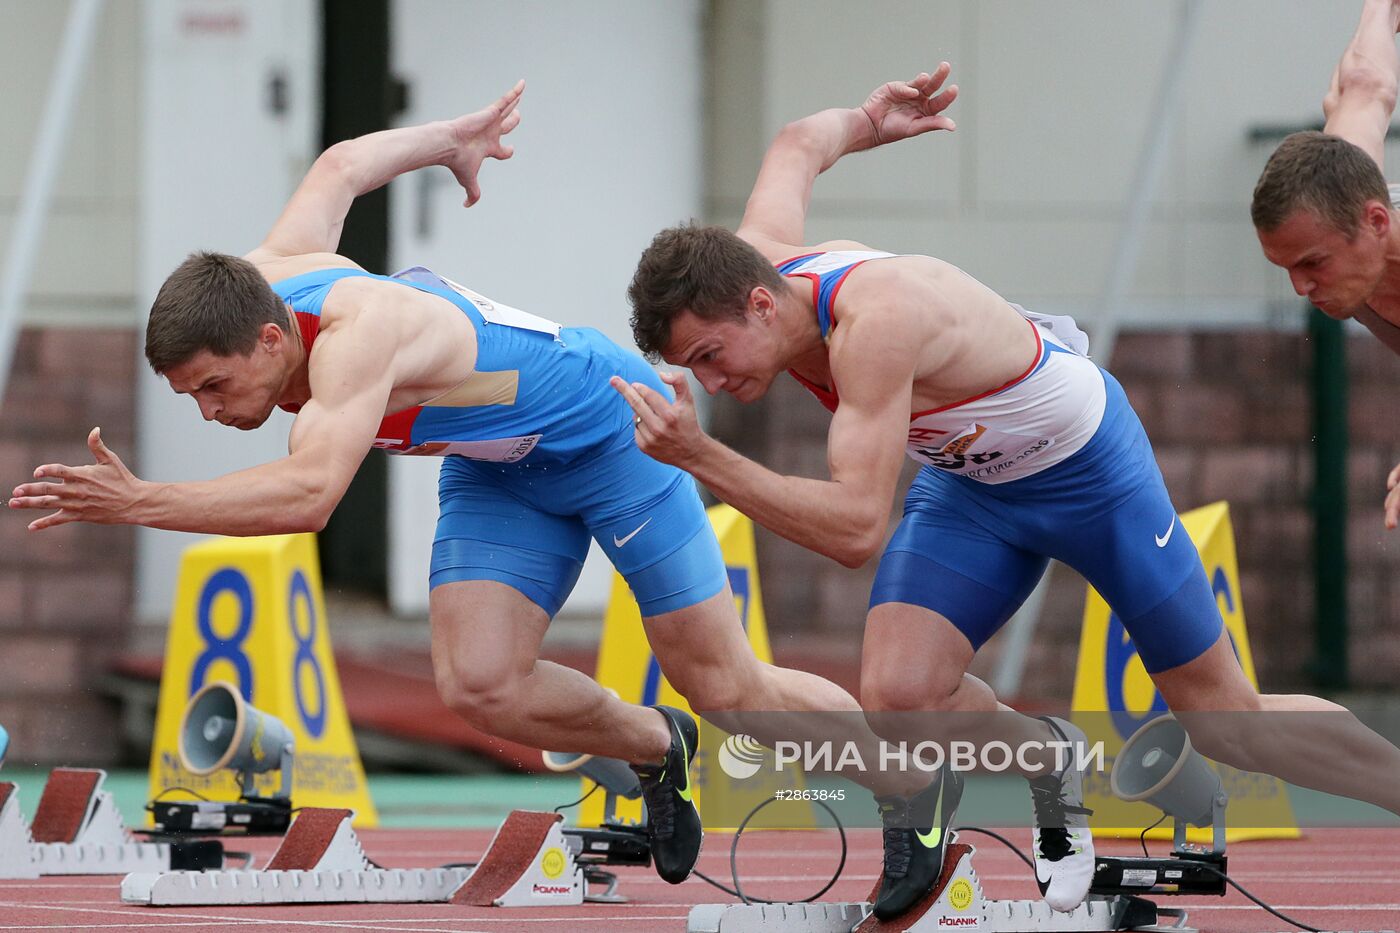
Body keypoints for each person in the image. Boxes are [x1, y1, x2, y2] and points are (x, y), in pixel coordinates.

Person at [5, 82, 873, 887]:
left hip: (614, 435)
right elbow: (341, 166)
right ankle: (655, 744)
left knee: (726, 687)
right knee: (480, 685)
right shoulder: (267, 270)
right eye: (189, 395)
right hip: (503, 469)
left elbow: (308, 499)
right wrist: (448, 140)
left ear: (272, 339)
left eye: (213, 388)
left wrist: (140, 501)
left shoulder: (356, 337)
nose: (207, 413)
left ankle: (911, 782)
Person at [617, 65, 1400, 917]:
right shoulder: (755, 261)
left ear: (763, 306)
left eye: (708, 357)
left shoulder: (874, 324)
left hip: (1090, 473)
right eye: (690, 368)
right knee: (900, 694)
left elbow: (853, 531)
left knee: (1227, 721)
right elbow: (797, 145)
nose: (711, 381)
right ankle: (1049, 762)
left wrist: (699, 456)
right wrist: (869, 119)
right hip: (974, 488)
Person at [1252, 0, 1400, 529]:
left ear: (1376, 223)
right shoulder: (1343, 175)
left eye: (1312, 263)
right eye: (1285, 267)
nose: (1300, 288)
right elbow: (1366, 83)